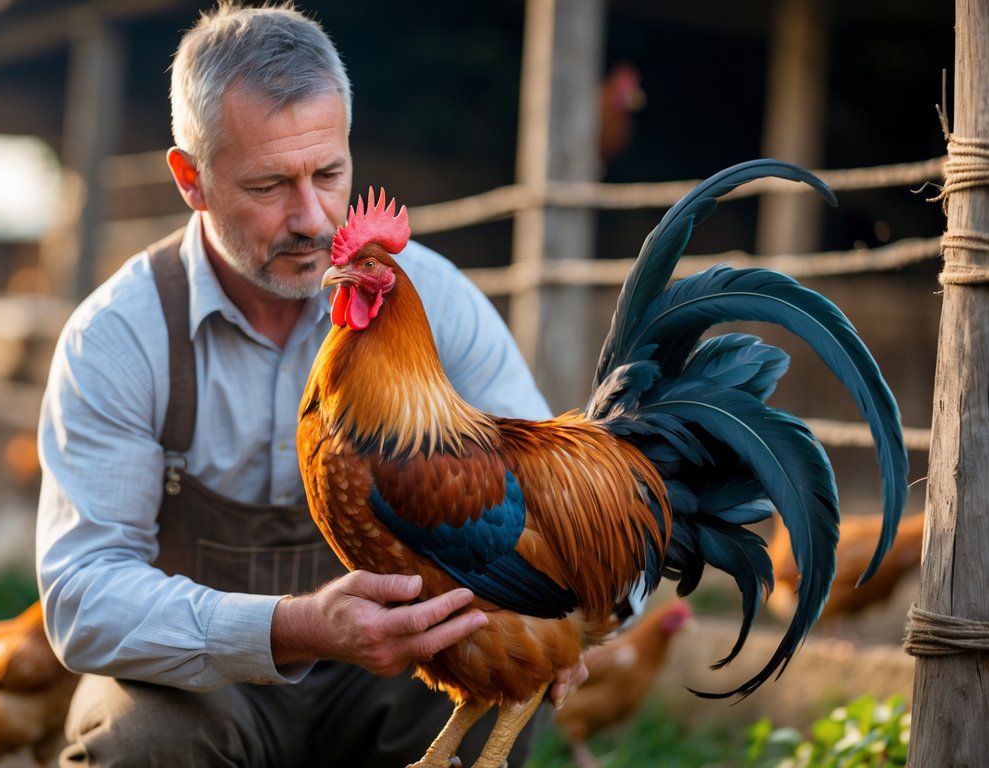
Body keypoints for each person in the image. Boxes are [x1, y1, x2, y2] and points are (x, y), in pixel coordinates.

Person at [35, 3, 586, 766]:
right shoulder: (120, 338)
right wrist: (285, 629)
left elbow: (562, 504)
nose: (312, 217)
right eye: (267, 185)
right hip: (202, 680)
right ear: (190, 179)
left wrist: (576, 606)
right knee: (137, 743)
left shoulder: (430, 299)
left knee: (493, 712)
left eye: (328, 173)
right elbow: (81, 597)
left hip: (399, 675)